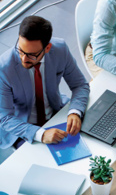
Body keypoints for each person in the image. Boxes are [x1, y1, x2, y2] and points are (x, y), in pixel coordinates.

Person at [0, 15, 89, 150]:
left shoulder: (60, 49)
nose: (24, 59)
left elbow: (80, 85)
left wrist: (75, 112)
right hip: (22, 129)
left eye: (31, 55)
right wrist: (41, 134)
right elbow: (4, 117)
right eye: (20, 50)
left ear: (47, 48)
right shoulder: (4, 68)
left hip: (55, 113)